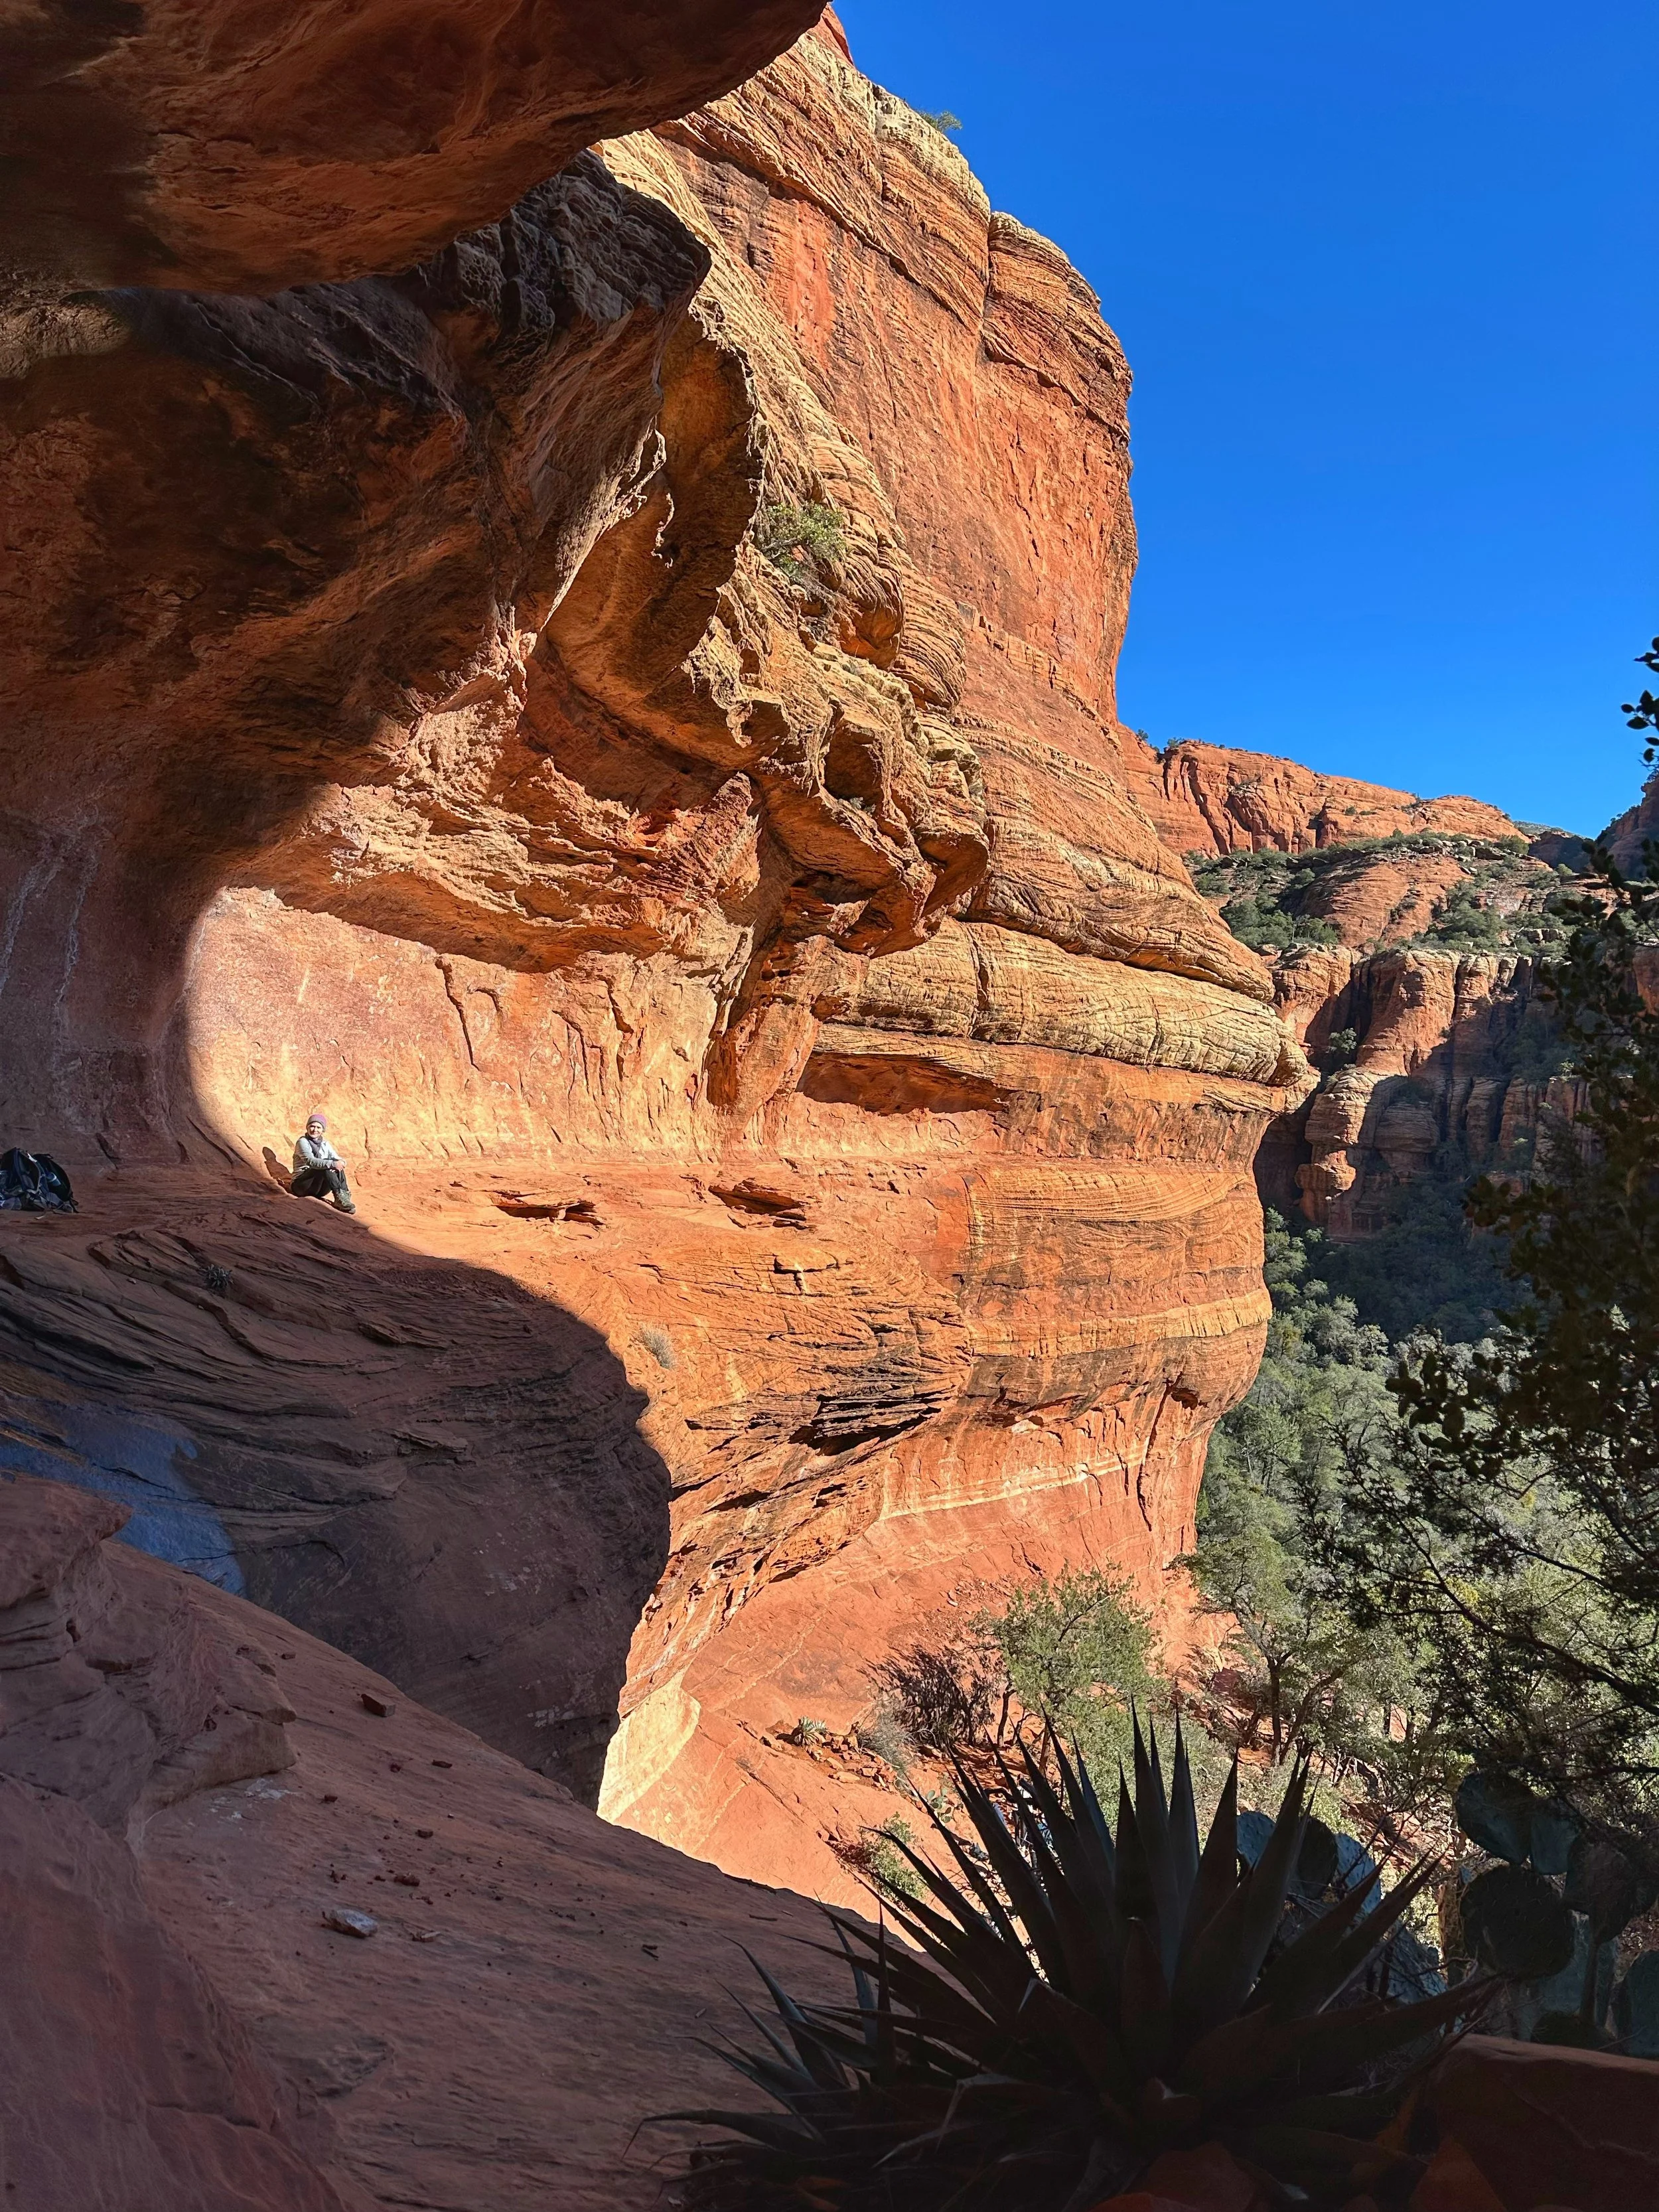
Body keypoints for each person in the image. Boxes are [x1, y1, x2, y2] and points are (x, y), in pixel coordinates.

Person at [291, 1113, 356, 1213]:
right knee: (327, 1165)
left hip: (318, 1189)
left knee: (335, 1163)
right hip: (301, 1186)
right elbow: (311, 1161)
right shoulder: (302, 1142)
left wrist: (342, 1162)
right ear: (307, 1127)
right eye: (312, 1126)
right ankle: (340, 1197)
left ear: (323, 1130)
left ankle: (344, 1197)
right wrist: (333, 1164)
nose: (315, 1130)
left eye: (319, 1127)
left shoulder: (325, 1144)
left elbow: (337, 1159)